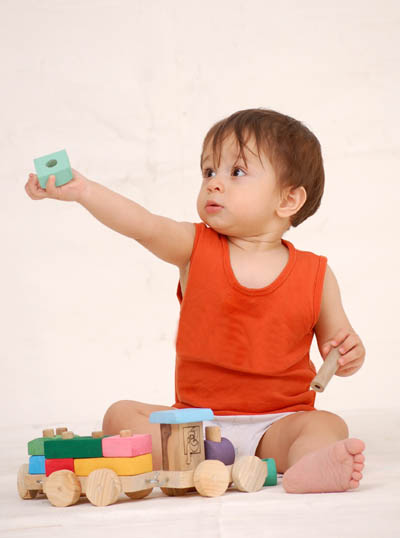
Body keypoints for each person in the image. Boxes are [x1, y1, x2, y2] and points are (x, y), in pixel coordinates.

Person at [25, 108, 366, 493]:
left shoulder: (316, 274)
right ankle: (214, 465)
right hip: (195, 427)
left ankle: (307, 468)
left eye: (236, 172)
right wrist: (84, 191)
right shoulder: (193, 247)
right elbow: (142, 223)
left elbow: (339, 344)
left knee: (328, 426)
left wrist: (351, 353)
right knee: (120, 415)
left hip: (280, 422)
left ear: (289, 200)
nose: (214, 184)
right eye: (208, 172)